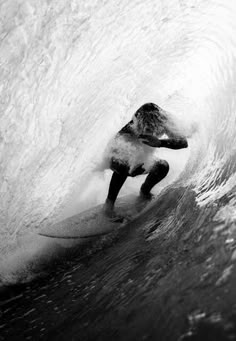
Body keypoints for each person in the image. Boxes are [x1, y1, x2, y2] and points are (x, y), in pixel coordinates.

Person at [103, 103, 188, 219]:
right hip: (120, 158)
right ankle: (108, 206)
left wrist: (160, 143)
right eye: (142, 125)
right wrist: (129, 163)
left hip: (140, 160)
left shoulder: (166, 122)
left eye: (148, 127)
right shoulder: (132, 126)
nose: (145, 129)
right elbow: (112, 151)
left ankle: (144, 192)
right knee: (124, 165)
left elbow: (183, 143)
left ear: (156, 122)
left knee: (162, 166)